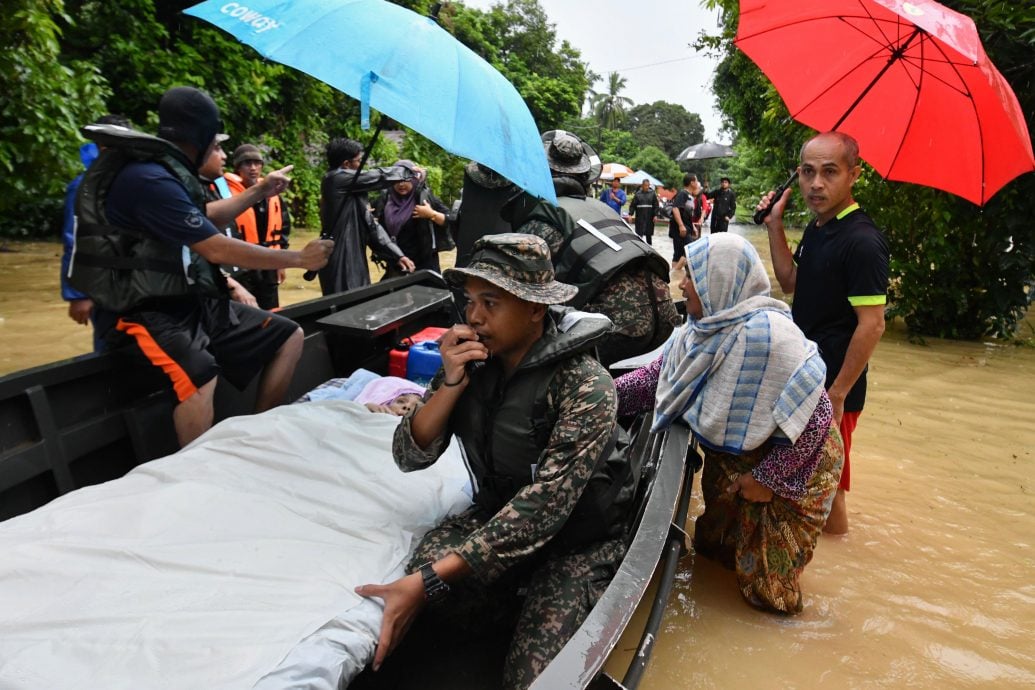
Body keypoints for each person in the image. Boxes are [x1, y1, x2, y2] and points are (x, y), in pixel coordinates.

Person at [356, 234, 635, 688]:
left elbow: (542, 510)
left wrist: (429, 580)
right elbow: (408, 457)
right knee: (430, 572)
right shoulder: (473, 363)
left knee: (534, 679)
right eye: (470, 301)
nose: (475, 317)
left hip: (572, 544)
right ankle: (511, 603)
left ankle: (539, 605)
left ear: (535, 308)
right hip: (498, 515)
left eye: (491, 302)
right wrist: (449, 384)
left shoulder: (586, 386)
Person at [69, 86, 333, 447]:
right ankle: (196, 477)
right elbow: (215, 248)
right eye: (216, 145)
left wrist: (259, 190)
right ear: (199, 138)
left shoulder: (168, 174)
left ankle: (259, 435)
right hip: (140, 310)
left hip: (186, 299)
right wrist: (298, 259)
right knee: (199, 377)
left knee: (288, 335)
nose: (220, 153)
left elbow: (205, 216)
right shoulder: (149, 179)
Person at [615, 233, 844, 614]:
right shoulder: (698, 332)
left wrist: (767, 481)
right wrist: (597, 396)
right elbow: (651, 382)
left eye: (692, 275)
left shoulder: (769, 336)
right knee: (714, 549)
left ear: (721, 281)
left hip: (797, 465)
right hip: (739, 458)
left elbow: (818, 416)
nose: (682, 284)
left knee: (768, 588)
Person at [758, 130, 889, 535]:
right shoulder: (818, 228)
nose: (816, 184)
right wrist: (774, 224)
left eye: (830, 172)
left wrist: (838, 393)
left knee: (829, 488)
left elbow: (873, 325)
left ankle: (841, 560)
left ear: (854, 175)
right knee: (806, 479)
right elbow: (790, 280)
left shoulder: (862, 241)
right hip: (805, 376)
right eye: (808, 172)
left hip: (835, 388)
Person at [503, 130, 681, 367]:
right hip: (666, 316)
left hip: (616, 327)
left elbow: (519, 293)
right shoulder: (601, 208)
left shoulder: (542, 219)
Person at [60, 114, 130, 351]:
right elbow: (75, 239)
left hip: (134, 284)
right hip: (103, 287)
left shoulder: (134, 178)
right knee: (109, 345)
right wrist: (78, 294)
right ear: (101, 145)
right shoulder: (83, 186)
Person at [317, 138, 416, 294]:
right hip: (341, 259)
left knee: (360, 304)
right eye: (358, 161)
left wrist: (397, 255)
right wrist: (407, 171)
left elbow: (372, 227)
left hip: (355, 258)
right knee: (344, 309)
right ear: (346, 164)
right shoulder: (335, 180)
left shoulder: (354, 191)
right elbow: (378, 176)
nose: (361, 165)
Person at [224, 143, 291, 309]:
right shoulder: (226, 194)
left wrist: (280, 262)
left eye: (257, 163)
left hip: (268, 263)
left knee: (272, 312)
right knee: (246, 311)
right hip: (242, 265)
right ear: (238, 167)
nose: (253, 168)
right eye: (247, 163)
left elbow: (283, 230)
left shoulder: (273, 193)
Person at [374, 159, 451, 277]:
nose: (401, 184)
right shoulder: (385, 199)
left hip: (424, 264)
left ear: (414, 178)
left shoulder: (423, 197)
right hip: (397, 264)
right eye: (397, 180)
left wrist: (431, 214)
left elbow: (451, 220)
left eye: (406, 179)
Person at [668, 173, 699, 266]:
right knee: (690, 251)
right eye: (696, 181)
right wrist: (681, 226)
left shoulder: (690, 196)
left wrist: (693, 227)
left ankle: (673, 276)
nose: (697, 183)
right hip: (680, 229)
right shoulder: (683, 193)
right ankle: (677, 273)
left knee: (678, 254)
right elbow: (675, 208)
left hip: (686, 227)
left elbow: (687, 215)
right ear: (692, 183)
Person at [630, 178, 659, 245]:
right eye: (645, 185)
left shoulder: (652, 194)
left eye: (648, 185)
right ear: (642, 185)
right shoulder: (637, 194)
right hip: (640, 218)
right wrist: (630, 214)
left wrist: (655, 215)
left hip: (649, 217)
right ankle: (639, 248)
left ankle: (650, 249)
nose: (647, 187)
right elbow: (633, 205)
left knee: (649, 235)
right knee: (639, 235)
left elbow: (656, 205)